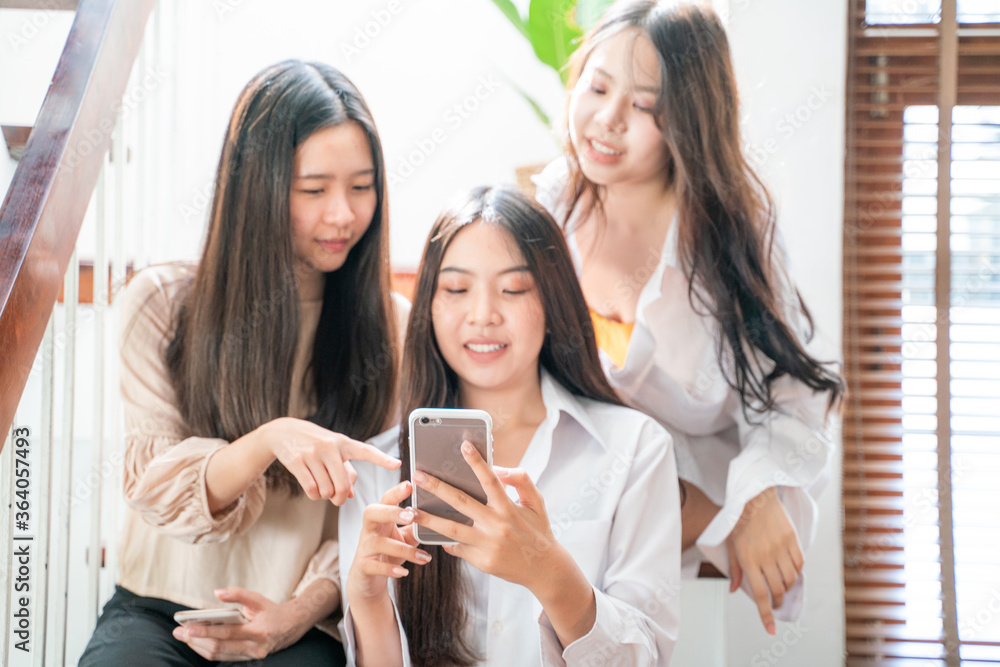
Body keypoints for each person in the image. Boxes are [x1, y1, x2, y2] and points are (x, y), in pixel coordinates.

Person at [532, 0, 845, 634]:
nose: (608, 120)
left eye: (645, 106)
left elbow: (799, 392)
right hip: (584, 501)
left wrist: (753, 495)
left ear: (689, 122)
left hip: (695, 508)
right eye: (596, 86)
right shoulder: (554, 202)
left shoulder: (730, 234)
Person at [80, 60, 406, 666]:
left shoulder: (392, 323)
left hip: (306, 618)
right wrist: (267, 442)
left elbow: (373, 515)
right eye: (314, 190)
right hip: (158, 610)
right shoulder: (161, 304)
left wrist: (297, 615)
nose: (343, 214)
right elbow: (154, 485)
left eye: (362, 187)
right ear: (256, 187)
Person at [339, 185, 681, 666]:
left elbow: (648, 659)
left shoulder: (634, 449)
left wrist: (549, 572)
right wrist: (369, 602)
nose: (483, 316)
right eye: (456, 289)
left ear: (552, 302)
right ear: (429, 306)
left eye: (514, 289)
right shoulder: (376, 471)